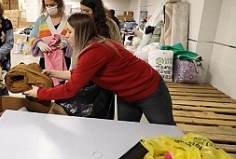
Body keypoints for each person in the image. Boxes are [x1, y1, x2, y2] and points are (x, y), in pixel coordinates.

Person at [25, 13, 176, 125]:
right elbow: (81, 73)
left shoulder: (95, 50)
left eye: (70, 32)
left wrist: (39, 93)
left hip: (149, 90)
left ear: (82, 32)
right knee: (128, 132)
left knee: (166, 132)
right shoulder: (94, 44)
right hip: (126, 94)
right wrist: (54, 73)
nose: (67, 36)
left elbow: (71, 89)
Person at [29, 0, 72, 72]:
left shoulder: (69, 19)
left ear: (59, 3)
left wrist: (66, 44)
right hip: (45, 60)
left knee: (61, 84)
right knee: (46, 83)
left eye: (52, 5)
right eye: (47, 5)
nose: (49, 7)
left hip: (63, 61)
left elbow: (76, 40)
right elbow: (31, 37)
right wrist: (39, 43)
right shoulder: (42, 19)